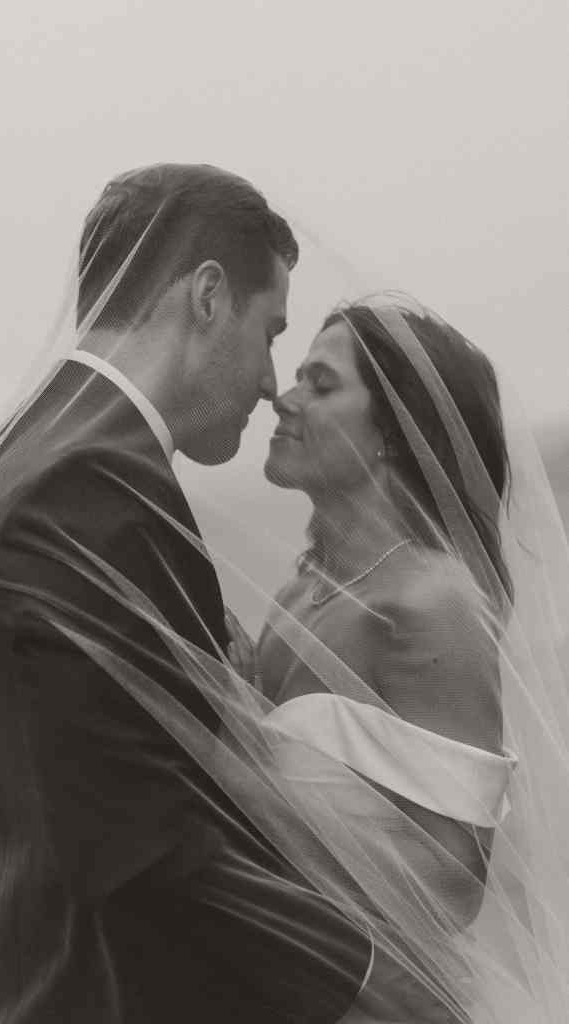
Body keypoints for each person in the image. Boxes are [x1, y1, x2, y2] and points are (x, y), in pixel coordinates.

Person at [0, 165, 396, 1024]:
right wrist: (384, 989)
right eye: (270, 331)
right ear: (207, 297)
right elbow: (148, 844)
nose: (271, 382)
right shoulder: (89, 485)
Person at [221, 295, 569, 1021]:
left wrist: (245, 765)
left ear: (392, 434)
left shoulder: (430, 604)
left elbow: (450, 886)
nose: (282, 400)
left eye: (321, 385)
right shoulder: (300, 589)